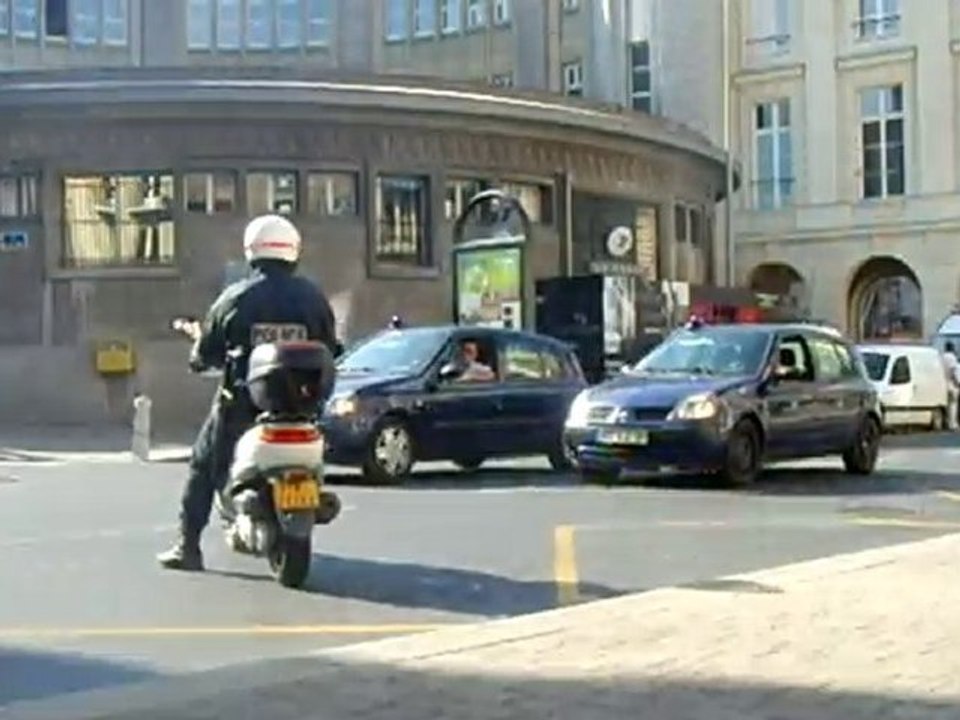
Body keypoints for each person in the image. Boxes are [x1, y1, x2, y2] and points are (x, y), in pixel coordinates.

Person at [157, 214, 339, 572]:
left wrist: (199, 349)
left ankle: (187, 546)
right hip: (302, 410)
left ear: (252, 252)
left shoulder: (236, 297)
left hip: (241, 406)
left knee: (202, 465)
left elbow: (205, 353)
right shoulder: (314, 298)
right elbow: (332, 347)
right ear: (293, 251)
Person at [943, 342, 960, 431]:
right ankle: (952, 424)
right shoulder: (952, 358)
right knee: (953, 405)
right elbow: (953, 371)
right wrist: (958, 382)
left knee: (946, 405)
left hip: (943, 384)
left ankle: (946, 422)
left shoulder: (941, 357)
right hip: (952, 384)